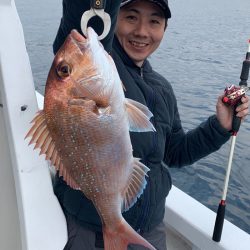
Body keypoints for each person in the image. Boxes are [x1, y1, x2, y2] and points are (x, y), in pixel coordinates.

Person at [52, 0, 249, 249]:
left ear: (164, 29)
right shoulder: (97, 65)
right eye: (131, 17)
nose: (142, 32)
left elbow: (176, 153)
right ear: (112, 21)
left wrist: (220, 127)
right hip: (92, 232)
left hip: (151, 229)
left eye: (154, 21)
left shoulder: (162, 88)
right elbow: (81, 25)